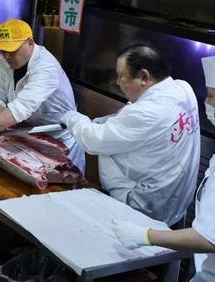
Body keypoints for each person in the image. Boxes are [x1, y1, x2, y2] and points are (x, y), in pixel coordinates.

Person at [111, 53, 215, 282]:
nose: (207, 102)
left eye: (212, 96)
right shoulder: (177, 92)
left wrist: (146, 235)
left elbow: (212, 238)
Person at [60, 44, 201, 226]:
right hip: (176, 200)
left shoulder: (148, 112)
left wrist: (72, 117)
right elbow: (130, 121)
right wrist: (99, 122)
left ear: (144, 77)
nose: (117, 82)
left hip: (143, 206)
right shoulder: (182, 88)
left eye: (121, 76)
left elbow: (93, 141)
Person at [0, 19, 85, 173]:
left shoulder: (45, 66)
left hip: (59, 141)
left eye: (12, 51)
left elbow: (21, 107)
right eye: (3, 50)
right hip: (29, 135)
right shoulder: (5, 61)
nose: (7, 56)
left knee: (59, 188)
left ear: (30, 42)